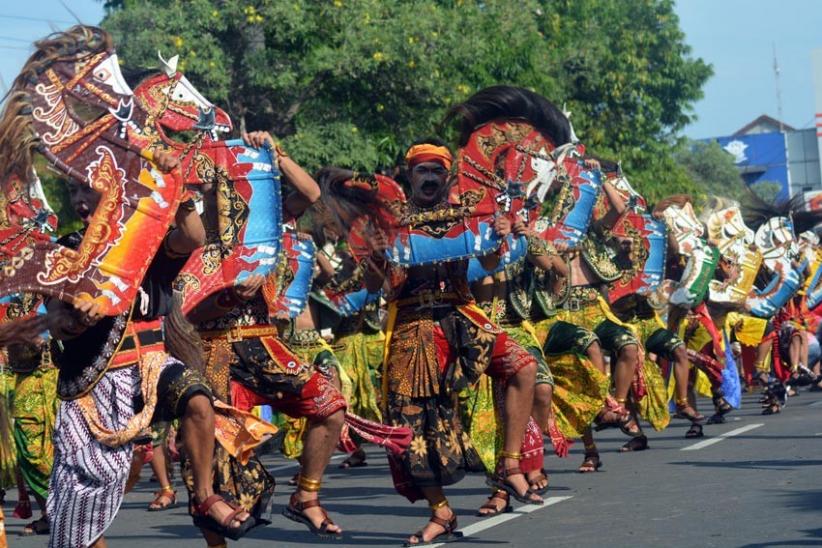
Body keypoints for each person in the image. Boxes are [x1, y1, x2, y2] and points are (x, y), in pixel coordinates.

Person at [45, 150, 253, 548]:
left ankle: (205, 496)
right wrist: (77, 318)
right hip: (92, 385)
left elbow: (192, 236)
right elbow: (55, 321)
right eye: (73, 191)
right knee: (89, 497)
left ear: (115, 189)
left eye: (88, 189)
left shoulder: (145, 242)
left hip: (149, 368)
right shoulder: (66, 252)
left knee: (197, 399)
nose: (79, 200)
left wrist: (177, 187)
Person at [349, 140, 541, 545]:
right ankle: (440, 511)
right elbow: (372, 285)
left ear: (447, 177)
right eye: (423, 170)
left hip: (460, 314)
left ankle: (509, 466)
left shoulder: (468, 215)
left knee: (524, 367)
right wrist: (378, 254)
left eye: (437, 170)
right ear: (410, 176)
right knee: (406, 424)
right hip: (412, 324)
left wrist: (499, 237)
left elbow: (488, 262)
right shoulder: (389, 221)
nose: (430, 177)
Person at [188, 131, 347, 540]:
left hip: (263, 342)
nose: (219, 192)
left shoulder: (263, 225)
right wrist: (227, 298)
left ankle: (306, 496)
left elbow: (310, 194)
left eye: (226, 182)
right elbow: (184, 311)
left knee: (330, 405)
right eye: (211, 185)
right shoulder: (187, 238)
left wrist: (276, 153)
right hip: (212, 352)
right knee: (216, 465)